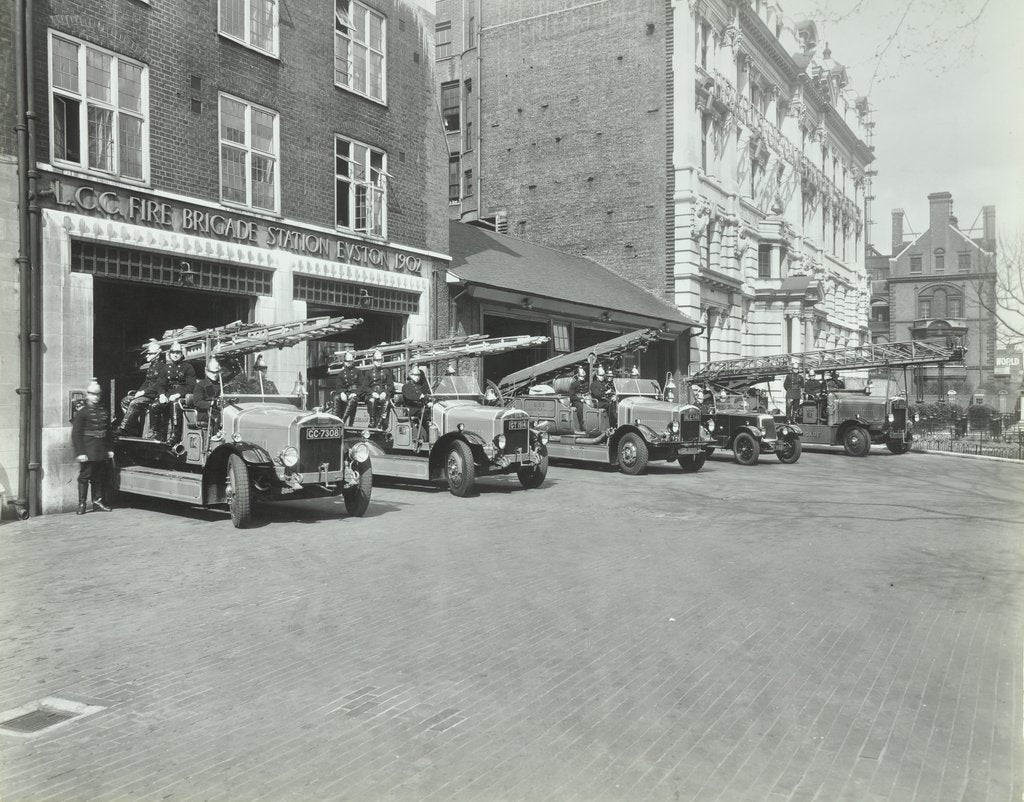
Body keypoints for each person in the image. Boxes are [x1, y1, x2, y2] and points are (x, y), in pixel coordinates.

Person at [72, 379, 114, 514]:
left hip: (101, 449)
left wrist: (110, 449)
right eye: (92, 395)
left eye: (97, 395)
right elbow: (76, 434)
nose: (95, 397)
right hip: (88, 449)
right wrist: (80, 452)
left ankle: (97, 502)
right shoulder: (82, 412)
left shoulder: (103, 411)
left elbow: (108, 432)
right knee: (84, 477)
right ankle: (82, 504)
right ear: (87, 395)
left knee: (99, 477)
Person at [117, 340, 167, 438]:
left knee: (134, 402)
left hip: (154, 395)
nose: (147, 356)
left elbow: (158, 385)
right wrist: (139, 391)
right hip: (147, 394)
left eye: (149, 354)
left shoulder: (162, 367)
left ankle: (124, 429)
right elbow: (146, 382)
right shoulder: (151, 367)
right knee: (125, 401)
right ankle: (134, 427)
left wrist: (144, 392)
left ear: (157, 354)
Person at [164, 340, 198, 446]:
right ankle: (156, 434)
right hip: (169, 394)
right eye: (173, 352)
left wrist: (178, 394)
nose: (175, 354)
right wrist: (161, 395)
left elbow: (191, 385)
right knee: (154, 405)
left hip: (182, 395)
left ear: (181, 354)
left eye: (178, 352)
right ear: (169, 354)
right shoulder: (166, 368)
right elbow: (160, 383)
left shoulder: (188, 367)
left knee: (176, 404)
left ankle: (175, 436)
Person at [191, 357, 223, 442]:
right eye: (212, 372)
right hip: (205, 412)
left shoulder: (221, 385)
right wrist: (211, 403)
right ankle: (212, 442)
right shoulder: (202, 384)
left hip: (220, 411)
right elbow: (197, 402)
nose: (215, 374)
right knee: (216, 418)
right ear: (207, 371)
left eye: (217, 372)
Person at [363, 349, 394, 428]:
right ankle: (372, 421)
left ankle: (381, 421)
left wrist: (385, 392)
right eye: (376, 360)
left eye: (380, 360)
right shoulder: (368, 373)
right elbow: (365, 386)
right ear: (373, 361)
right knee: (372, 400)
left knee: (387, 402)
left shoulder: (387, 372)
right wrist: (372, 393)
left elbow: (390, 385)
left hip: (382, 393)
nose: (378, 362)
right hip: (372, 393)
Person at [333, 351, 364, 425]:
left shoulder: (358, 371)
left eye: (350, 361)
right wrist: (342, 393)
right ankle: (335, 419)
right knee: (336, 397)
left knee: (353, 399)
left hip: (356, 394)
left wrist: (355, 393)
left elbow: (362, 385)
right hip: (346, 392)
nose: (348, 363)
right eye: (347, 361)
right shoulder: (341, 373)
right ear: (344, 362)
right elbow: (338, 386)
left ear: (353, 361)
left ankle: (343, 420)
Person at [402, 365, 432, 441]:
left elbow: (424, 397)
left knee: (431, 411)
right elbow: (409, 396)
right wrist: (419, 397)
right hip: (412, 408)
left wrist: (428, 402)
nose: (417, 377)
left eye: (418, 375)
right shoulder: (406, 387)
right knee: (426, 414)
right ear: (410, 375)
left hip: (420, 408)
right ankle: (424, 436)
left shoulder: (419, 386)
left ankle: (430, 434)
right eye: (415, 375)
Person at [568, 365, 588, 431]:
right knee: (580, 407)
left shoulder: (586, 383)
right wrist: (580, 399)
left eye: (583, 376)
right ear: (578, 376)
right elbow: (572, 395)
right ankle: (581, 424)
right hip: (576, 401)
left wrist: (586, 396)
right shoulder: (574, 384)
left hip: (585, 399)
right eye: (581, 376)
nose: (582, 378)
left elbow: (587, 392)